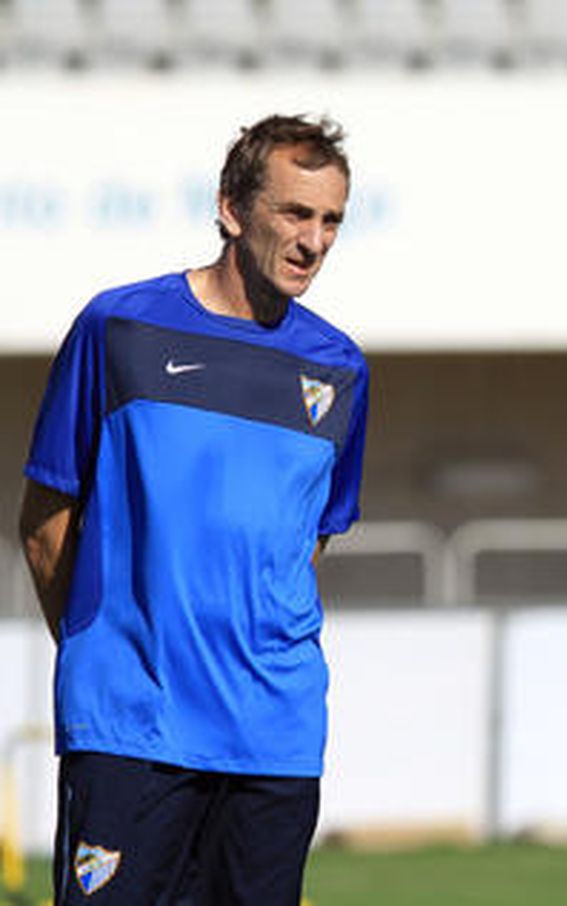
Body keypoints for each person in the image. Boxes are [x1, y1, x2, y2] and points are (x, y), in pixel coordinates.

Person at [17, 114, 368, 905]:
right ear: (232, 209)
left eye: (331, 221)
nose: (314, 241)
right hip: (131, 728)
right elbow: (44, 524)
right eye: (295, 213)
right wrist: (104, 657)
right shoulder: (119, 328)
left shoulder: (341, 368)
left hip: (273, 740)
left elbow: (304, 543)